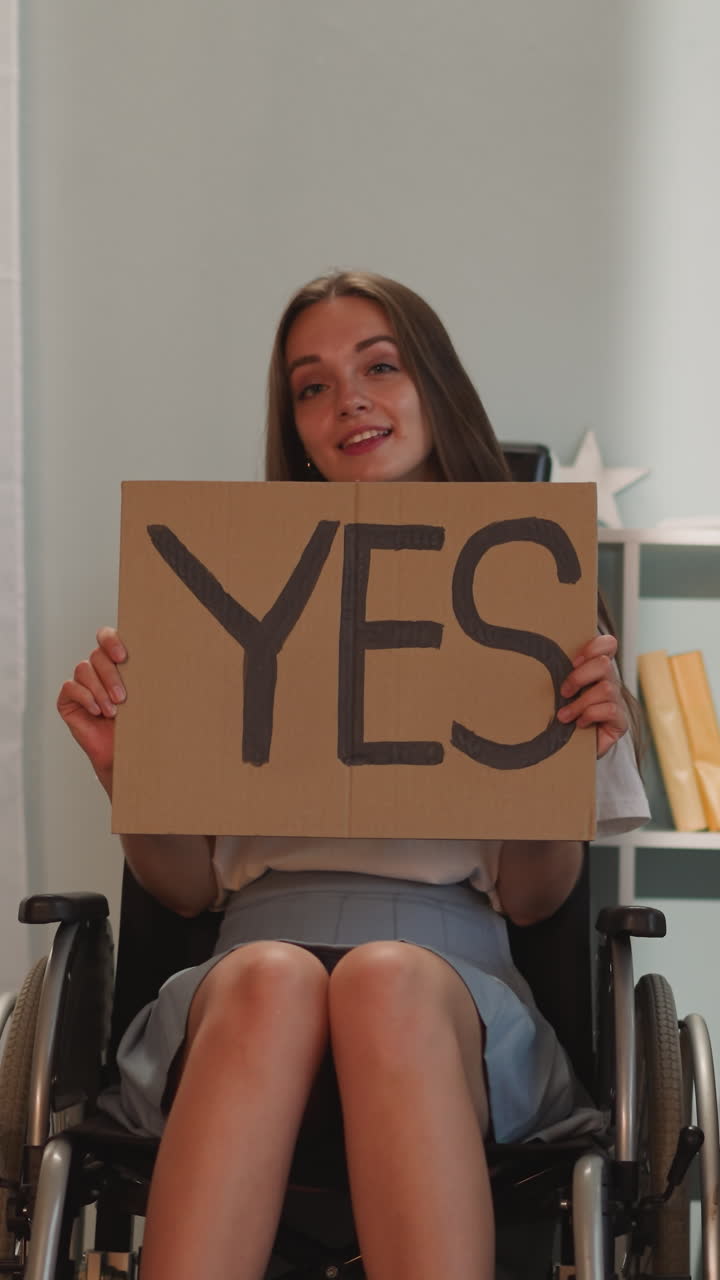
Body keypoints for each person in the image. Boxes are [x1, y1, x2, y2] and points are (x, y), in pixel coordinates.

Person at [57, 271, 649, 1280]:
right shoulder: (222, 587)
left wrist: (563, 765)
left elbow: (535, 896)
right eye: (312, 386)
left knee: (384, 975)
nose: (349, 402)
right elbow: (189, 890)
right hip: (248, 964)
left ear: (436, 386)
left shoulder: (540, 600)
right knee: (273, 976)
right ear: (294, 426)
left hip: (452, 977)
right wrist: (129, 778)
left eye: (381, 367)